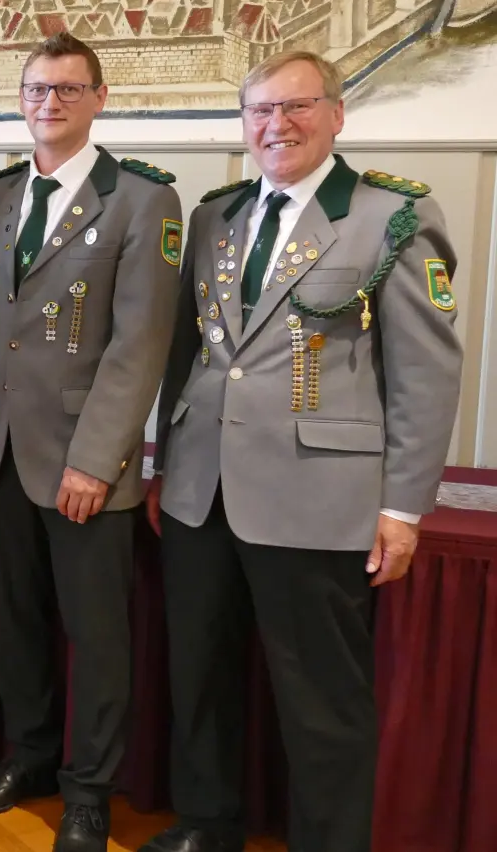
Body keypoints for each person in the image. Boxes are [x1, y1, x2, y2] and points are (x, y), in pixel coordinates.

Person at [142, 51, 462, 852]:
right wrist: (165, 461)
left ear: (337, 115)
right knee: (201, 673)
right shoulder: (217, 215)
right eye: (259, 112)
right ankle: (208, 822)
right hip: (199, 490)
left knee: (321, 698)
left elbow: (426, 373)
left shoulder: (390, 217)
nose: (276, 126)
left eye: (297, 108)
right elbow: (191, 355)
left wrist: (402, 506)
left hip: (319, 496)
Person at [0, 32, 182, 852]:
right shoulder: (1, 194)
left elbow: (140, 343)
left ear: (99, 99)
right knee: (15, 620)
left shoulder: (143, 200)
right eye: (38, 90)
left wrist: (98, 457)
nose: (51, 104)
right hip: (2, 450)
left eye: (69, 90)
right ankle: (32, 758)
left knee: (96, 634)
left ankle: (89, 791)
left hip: (87, 462)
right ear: (21, 99)